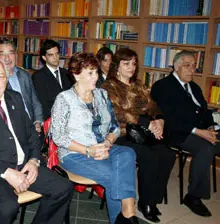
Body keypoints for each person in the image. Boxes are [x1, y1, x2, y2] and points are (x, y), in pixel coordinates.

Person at [0, 57, 73, 224]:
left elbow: (31, 133)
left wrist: (33, 161)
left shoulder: (14, 98)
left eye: (1, 77)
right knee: (6, 206)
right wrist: (8, 173)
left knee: (63, 188)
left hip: (24, 165)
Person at [50, 52, 138, 224]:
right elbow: (58, 136)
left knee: (127, 153)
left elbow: (114, 127)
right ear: (76, 75)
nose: (95, 77)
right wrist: (89, 150)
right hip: (74, 153)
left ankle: (127, 212)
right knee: (114, 175)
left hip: (102, 147)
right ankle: (123, 218)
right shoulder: (64, 99)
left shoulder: (102, 95)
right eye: (90, 73)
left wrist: (107, 142)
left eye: (96, 72)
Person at [102, 48, 175, 223]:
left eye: (134, 63)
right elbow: (117, 112)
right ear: (116, 66)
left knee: (167, 154)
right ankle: (146, 204)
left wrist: (160, 120)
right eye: (126, 64)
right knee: (148, 156)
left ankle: (152, 199)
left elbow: (154, 106)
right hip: (120, 133)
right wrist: (146, 122)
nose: (131, 67)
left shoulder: (139, 85)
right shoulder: (109, 86)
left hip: (143, 132)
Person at [151, 50, 220, 217]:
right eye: (187, 65)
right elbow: (169, 118)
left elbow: (204, 111)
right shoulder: (163, 86)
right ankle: (193, 196)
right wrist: (199, 132)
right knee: (206, 149)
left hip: (199, 130)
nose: (192, 70)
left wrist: (211, 126)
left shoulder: (194, 87)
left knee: (212, 142)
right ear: (176, 66)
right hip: (176, 132)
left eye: (194, 66)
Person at [0, 39, 44, 134]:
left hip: (31, 127)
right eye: (2, 54)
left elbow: (34, 101)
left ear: (16, 55)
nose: (7, 58)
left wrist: (38, 121)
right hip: (11, 131)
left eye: (11, 53)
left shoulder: (24, 75)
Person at [32, 39, 73, 120]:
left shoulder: (66, 73)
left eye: (57, 54)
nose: (55, 57)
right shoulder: (38, 77)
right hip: (51, 120)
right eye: (51, 55)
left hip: (70, 119)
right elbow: (42, 105)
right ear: (44, 57)